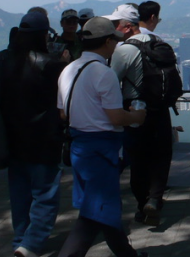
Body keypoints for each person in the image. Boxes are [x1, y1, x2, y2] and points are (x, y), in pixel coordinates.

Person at [56, 17, 146, 257]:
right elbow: (116, 117)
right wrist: (137, 116)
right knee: (96, 211)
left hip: (79, 145)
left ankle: (127, 253)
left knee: (101, 207)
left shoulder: (68, 69)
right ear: (107, 41)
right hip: (101, 148)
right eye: (114, 41)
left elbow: (63, 113)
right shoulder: (104, 73)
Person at [0, 11, 68, 257]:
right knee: (45, 194)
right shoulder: (51, 64)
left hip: (12, 137)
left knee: (19, 193)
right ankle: (31, 244)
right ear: (44, 34)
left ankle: (20, 238)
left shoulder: (3, 59)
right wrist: (64, 62)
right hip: (43, 138)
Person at [108, 3, 174, 226]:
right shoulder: (159, 42)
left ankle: (142, 205)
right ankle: (155, 199)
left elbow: (110, 81)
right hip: (161, 109)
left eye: (116, 24)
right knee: (161, 156)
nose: (113, 28)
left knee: (138, 159)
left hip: (135, 109)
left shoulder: (124, 50)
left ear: (127, 26)